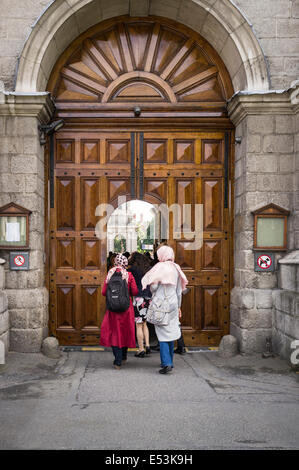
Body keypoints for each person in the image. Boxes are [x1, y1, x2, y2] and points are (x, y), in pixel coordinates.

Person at [141, 245, 188, 374]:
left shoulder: (159, 268)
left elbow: (154, 287)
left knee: (162, 334)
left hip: (161, 304)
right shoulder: (176, 268)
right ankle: (169, 361)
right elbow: (179, 291)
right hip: (173, 303)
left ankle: (166, 363)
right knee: (171, 332)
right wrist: (178, 306)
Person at [100, 253, 138, 369]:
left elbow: (103, 292)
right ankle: (124, 357)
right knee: (125, 331)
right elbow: (135, 291)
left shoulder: (110, 274)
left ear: (115, 262)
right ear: (125, 263)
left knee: (115, 333)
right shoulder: (128, 275)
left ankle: (117, 361)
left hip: (112, 309)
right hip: (126, 308)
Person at [128, 252, 152, 358]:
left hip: (138, 298)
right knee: (145, 323)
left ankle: (141, 349)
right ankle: (147, 345)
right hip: (148, 297)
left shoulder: (132, 269)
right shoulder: (148, 268)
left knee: (138, 324)